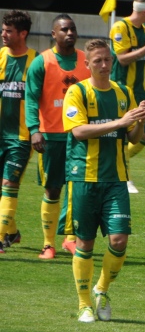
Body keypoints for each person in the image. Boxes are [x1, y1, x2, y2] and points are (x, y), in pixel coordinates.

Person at [61, 39, 145, 323]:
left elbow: (133, 139)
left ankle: (102, 289)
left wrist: (138, 120)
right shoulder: (77, 91)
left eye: (107, 60)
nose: (103, 65)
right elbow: (78, 132)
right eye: (97, 61)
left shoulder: (123, 93)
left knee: (119, 239)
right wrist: (120, 122)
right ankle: (84, 304)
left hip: (115, 179)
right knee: (85, 244)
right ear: (87, 64)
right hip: (84, 178)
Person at [25, 14, 90, 259]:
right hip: (50, 136)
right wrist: (34, 130)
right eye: (64, 29)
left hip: (80, 136)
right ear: (54, 34)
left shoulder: (86, 61)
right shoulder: (42, 62)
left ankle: (70, 239)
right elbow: (31, 99)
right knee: (53, 189)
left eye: (73, 29)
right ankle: (48, 244)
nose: (70, 33)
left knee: (77, 189)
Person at [109, 0, 145, 193]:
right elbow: (122, 59)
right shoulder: (120, 27)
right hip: (121, 90)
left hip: (140, 91)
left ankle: (115, 161)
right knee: (123, 134)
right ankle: (125, 178)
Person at [0, 10, 36, 254]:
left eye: (8, 31)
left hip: (21, 137)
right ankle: (12, 233)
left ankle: (2, 238)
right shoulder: (0, 56)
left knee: (8, 184)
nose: (3, 34)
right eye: (3, 30)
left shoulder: (36, 61)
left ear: (22, 33)